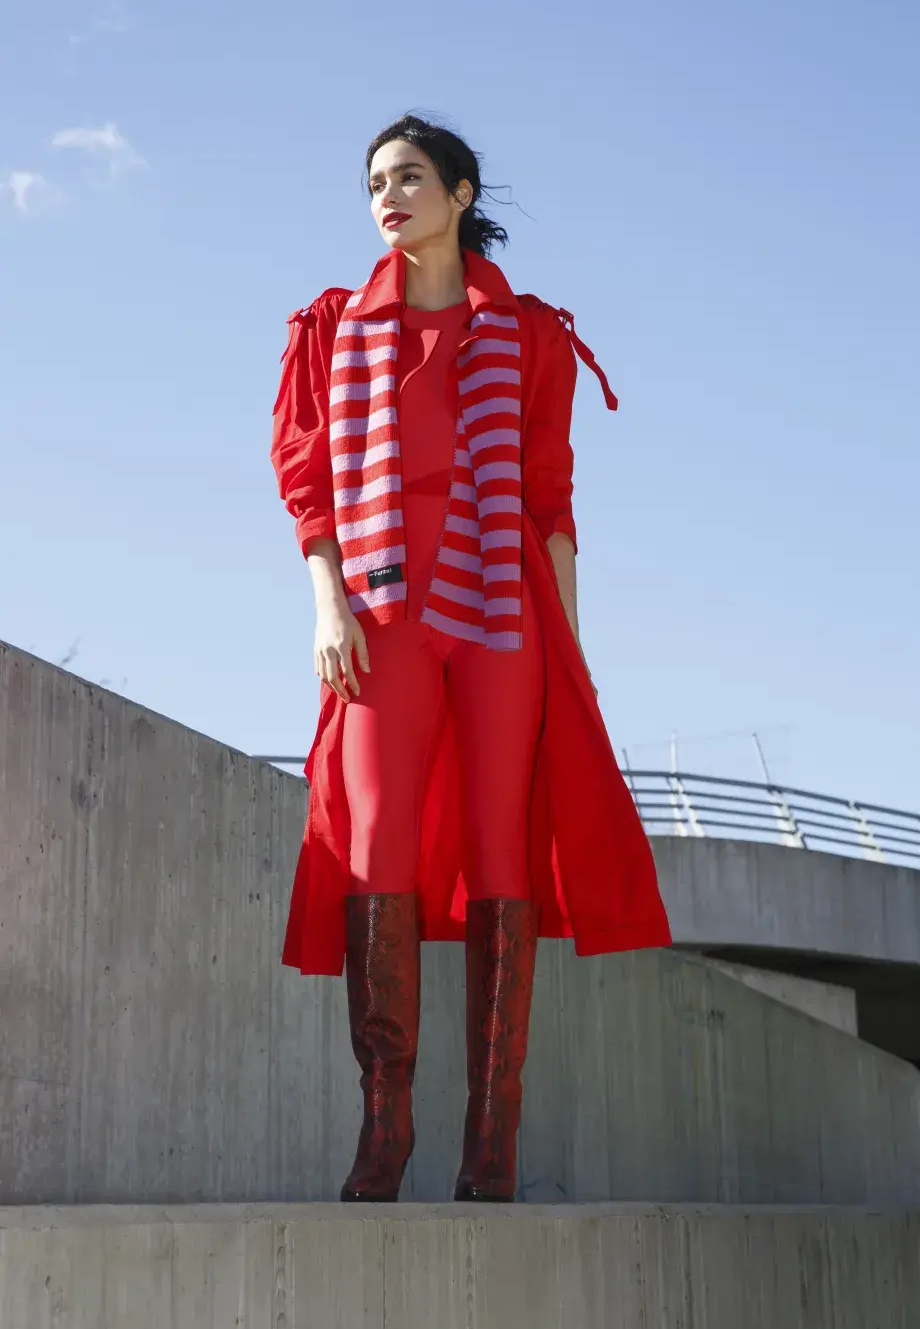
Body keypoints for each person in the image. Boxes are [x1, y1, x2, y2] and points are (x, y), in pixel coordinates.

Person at [270, 113, 671, 1204]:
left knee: (503, 849)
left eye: (408, 178)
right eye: (372, 184)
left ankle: (492, 1137)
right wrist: (327, 608)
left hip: (502, 613)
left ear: (459, 192)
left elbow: (550, 499)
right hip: (383, 613)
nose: (386, 198)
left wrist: (569, 653)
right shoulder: (332, 330)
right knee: (378, 842)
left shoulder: (529, 335)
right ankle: (385, 1125)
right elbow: (306, 486)